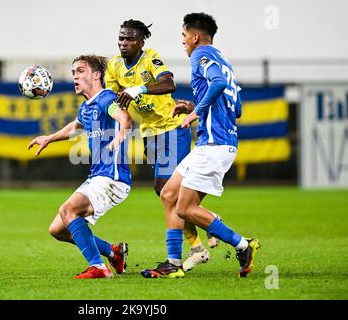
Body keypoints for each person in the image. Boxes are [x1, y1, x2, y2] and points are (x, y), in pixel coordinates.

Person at [141, 13, 260, 278]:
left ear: (194, 37)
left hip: (215, 146)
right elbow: (235, 108)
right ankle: (172, 263)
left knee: (185, 209)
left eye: (184, 37)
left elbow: (216, 84)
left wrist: (197, 112)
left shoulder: (200, 54)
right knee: (168, 195)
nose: (183, 42)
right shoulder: (223, 60)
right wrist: (194, 107)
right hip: (211, 144)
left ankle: (243, 245)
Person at [106, 19, 216, 272]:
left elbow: (169, 84)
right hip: (149, 133)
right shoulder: (114, 65)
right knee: (167, 193)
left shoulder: (151, 59)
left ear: (142, 41)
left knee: (166, 190)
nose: (124, 43)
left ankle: (196, 243)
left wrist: (139, 88)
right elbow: (113, 98)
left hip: (171, 128)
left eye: (130, 38)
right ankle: (200, 237)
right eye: (121, 38)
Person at [28, 55, 133, 279]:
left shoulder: (105, 98)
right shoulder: (87, 106)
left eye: (81, 71)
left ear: (97, 75)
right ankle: (112, 252)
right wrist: (49, 138)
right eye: (73, 71)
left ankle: (99, 267)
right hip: (98, 176)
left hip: (112, 178)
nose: (75, 75)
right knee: (58, 230)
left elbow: (122, 115)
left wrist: (123, 130)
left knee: (68, 210)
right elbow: (74, 127)